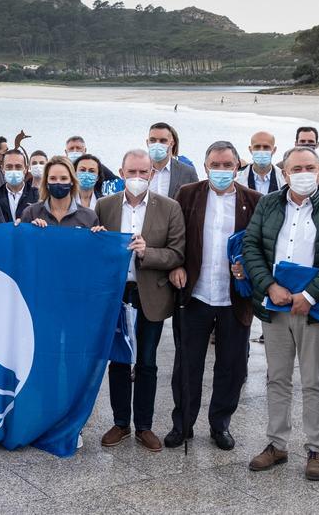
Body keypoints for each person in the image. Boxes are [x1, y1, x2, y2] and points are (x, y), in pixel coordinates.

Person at [242, 146, 319, 481]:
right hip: (275, 304)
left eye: (310, 167)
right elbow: (252, 247)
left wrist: (310, 294)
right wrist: (268, 287)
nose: (303, 173)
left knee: (312, 380)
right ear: (285, 172)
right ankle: (276, 444)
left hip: (314, 306)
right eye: (296, 168)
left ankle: (316, 449)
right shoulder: (269, 203)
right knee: (277, 377)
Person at [167, 142, 262, 452]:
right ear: (205, 166)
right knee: (187, 364)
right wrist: (177, 265)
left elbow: (261, 247)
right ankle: (183, 423)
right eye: (215, 164)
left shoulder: (254, 201)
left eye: (228, 164)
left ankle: (220, 423)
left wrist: (246, 269)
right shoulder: (188, 194)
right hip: (196, 294)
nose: (221, 170)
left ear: (238, 166)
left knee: (231, 367)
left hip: (234, 297)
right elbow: (175, 236)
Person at [96, 149, 186, 452]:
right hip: (116, 296)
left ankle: (144, 426)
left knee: (147, 362)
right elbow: (95, 246)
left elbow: (177, 253)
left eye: (143, 173)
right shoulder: (104, 206)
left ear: (152, 174)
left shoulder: (169, 207)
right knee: (118, 360)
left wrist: (149, 252)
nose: (137, 178)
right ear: (121, 173)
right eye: (131, 172)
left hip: (151, 294)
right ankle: (120, 422)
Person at [20, 156, 103, 229]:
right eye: (53, 178)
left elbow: (94, 246)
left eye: (63, 178)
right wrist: (30, 229)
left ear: (72, 181)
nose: (58, 182)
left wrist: (101, 235)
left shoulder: (89, 217)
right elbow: (22, 242)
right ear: (46, 182)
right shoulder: (31, 213)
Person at [145, 122, 199, 198]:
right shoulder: (136, 170)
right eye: (153, 140)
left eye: (163, 141)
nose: (157, 144)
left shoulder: (187, 172)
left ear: (171, 143)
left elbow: (196, 201)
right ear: (147, 143)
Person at [0, 148, 38, 224]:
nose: (13, 170)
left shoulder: (38, 197)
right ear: (2, 169)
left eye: (18, 167)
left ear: (26, 169)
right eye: (9, 167)